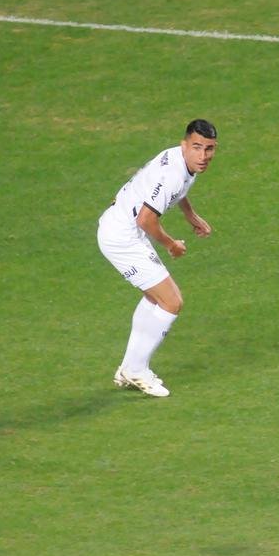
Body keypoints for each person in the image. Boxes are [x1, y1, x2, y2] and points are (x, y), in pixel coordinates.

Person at [97, 119, 218, 397]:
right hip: (122, 236)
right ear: (184, 144)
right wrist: (171, 244)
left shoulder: (182, 161)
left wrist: (191, 215)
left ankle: (130, 367)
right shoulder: (173, 173)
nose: (203, 156)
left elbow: (178, 191)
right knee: (171, 301)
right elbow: (146, 219)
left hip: (121, 227)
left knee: (156, 298)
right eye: (197, 147)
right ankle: (135, 370)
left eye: (209, 149)